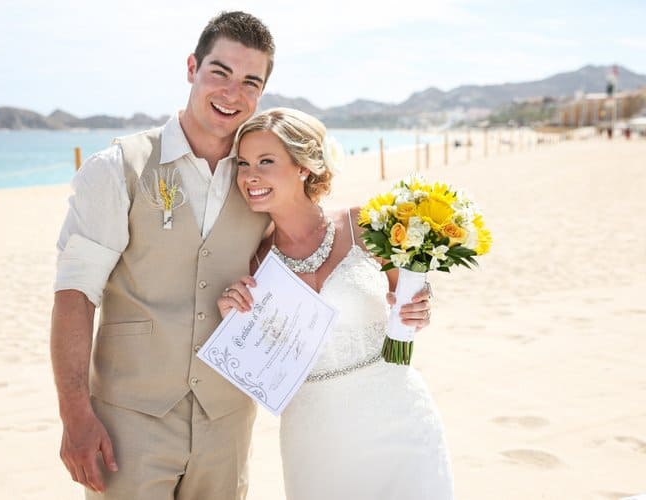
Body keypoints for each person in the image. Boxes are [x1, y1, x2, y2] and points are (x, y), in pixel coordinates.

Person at [50, 11, 276, 500]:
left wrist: (395, 278)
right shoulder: (119, 168)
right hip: (129, 424)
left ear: (261, 93)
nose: (232, 92)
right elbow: (75, 293)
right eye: (219, 72)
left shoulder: (262, 175)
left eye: (250, 81)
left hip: (227, 421)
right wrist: (74, 414)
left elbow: (309, 248)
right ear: (192, 67)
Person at [219, 108, 453, 500]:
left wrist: (420, 307)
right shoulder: (255, 263)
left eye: (265, 162)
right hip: (316, 436)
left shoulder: (365, 226)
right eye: (242, 164)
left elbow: (411, 305)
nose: (249, 176)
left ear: (303, 168)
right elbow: (265, 368)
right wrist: (235, 319)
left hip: (399, 417)